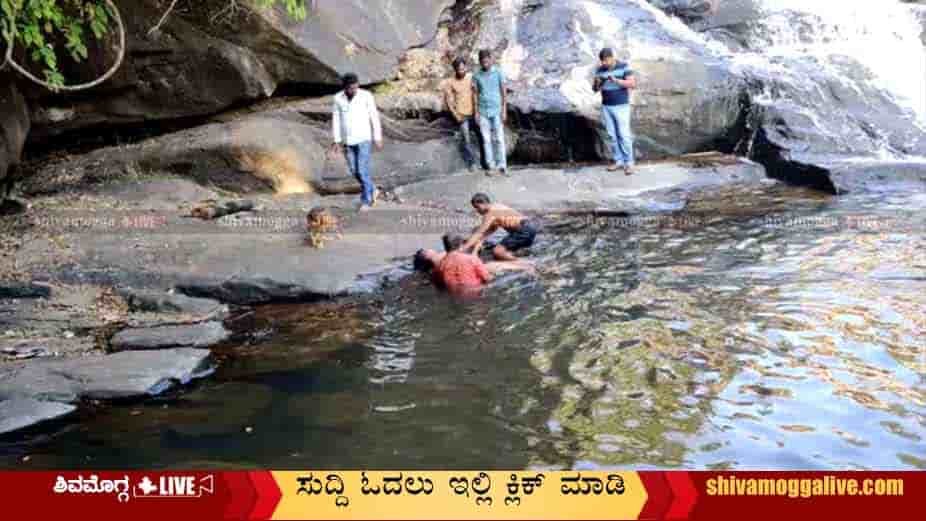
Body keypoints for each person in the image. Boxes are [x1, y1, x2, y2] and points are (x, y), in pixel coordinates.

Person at [330, 73, 383, 211]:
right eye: (351, 88)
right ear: (345, 88)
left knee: (362, 169)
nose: (355, 89)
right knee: (354, 170)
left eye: (356, 86)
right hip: (348, 140)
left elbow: (374, 116)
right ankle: (372, 189)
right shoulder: (337, 99)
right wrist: (336, 140)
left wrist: (377, 137)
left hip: (364, 138)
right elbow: (336, 119)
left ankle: (367, 200)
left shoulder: (366, 96)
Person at [592, 48, 637, 175]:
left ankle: (629, 163)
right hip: (606, 106)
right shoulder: (600, 70)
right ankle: (618, 161)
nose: (604, 63)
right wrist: (597, 84)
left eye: (606, 60)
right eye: (602, 61)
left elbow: (632, 84)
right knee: (612, 135)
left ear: (612, 57)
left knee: (624, 134)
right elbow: (595, 89)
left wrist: (616, 80)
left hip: (621, 106)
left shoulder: (624, 66)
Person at [460, 193, 539, 262]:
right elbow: (485, 234)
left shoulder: (490, 213)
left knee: (498, 251)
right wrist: (475, 252)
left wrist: (463, 249)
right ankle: (522, 258)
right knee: (510, 251)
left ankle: (524, 264)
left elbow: (479, 233)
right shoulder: (497, 207)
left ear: (483, 203)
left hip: (523, 230)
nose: (477, 210)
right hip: (529, 227)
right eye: (475, 208)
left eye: (477, 207)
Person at [472, 49, 508, 176]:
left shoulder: (498, 72)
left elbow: (503, 92)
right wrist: (476, 112)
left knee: (499, 138)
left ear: (491, 59)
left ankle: (502, 165)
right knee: (486, 140)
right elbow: (475, 94)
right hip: (482, 111)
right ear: (480, 62)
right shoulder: (476, 75)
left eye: (487, 61)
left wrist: (504, 110)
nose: (485, 63)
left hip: (497, 110)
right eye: (483, 62)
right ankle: (491, 166)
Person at [442, 57, 479, 172]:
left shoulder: (471, 77)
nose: (462, 71)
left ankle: (485, 160)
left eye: (464, 68)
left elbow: (477, 93)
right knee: (466, 139)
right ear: (455, 70)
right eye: (460, 69)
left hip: (474, 112)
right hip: (462, 114)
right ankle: (471, 163)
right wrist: (455, 114)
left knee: (481, 135)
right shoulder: (450, 82)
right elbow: (448, 100)